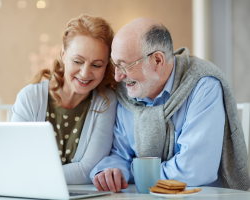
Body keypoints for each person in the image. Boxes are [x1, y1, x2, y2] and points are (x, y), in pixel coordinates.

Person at [90, 17, 250, 191]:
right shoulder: (127, 92)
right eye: (115, 65)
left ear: (158, 60)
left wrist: (133, 173)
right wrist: (111, 173)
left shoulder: (203, 86)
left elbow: (193, 170)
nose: (118, 76)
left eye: (125, 65)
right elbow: (120, 154)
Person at [11, 15, 117, 184]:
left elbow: (87, 169)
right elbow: (16, 161)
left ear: (106, 66)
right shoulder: (29, 98)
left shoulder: (105, 101)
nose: (84, 73)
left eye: (96, 65)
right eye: (77, 61)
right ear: (63, 55)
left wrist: (33, 176)